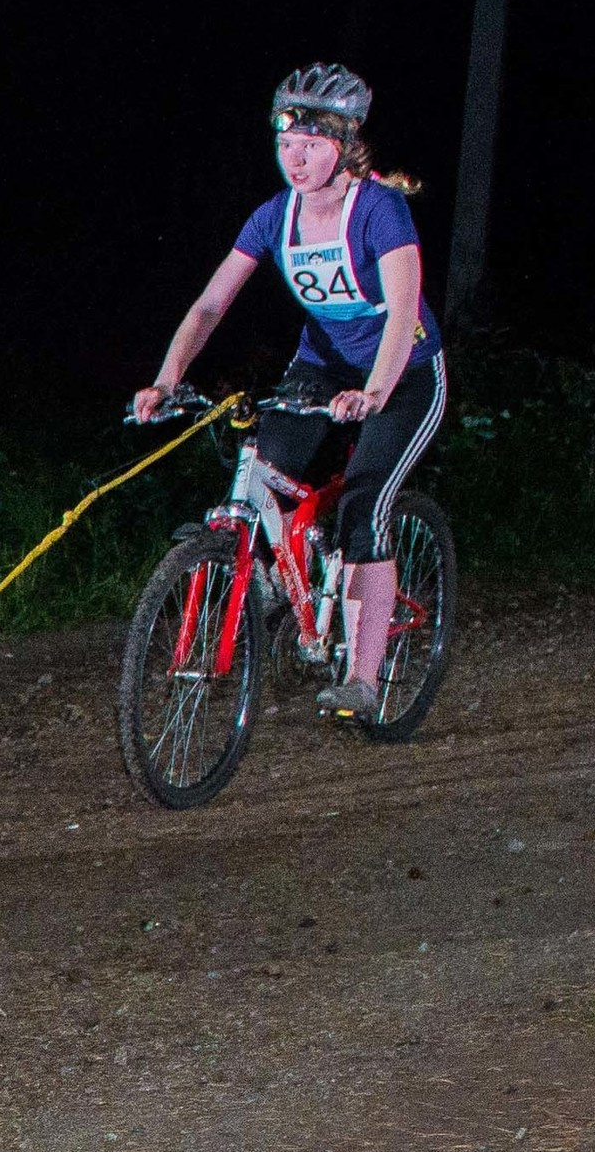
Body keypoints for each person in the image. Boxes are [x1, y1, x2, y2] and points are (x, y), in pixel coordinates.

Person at [133, 63, 449, 720]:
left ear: (344, 144)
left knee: (365, 503)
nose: (294, 159)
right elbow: (210, 307)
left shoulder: (379, 209)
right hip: (322, 366)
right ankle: (292, 583)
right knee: (266, 473)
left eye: (309, 145)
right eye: (284, 145)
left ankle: (364, 679)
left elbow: (401, 310)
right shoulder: (275, 217)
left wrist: (375, 392)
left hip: (407, 371)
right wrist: (167, 379)